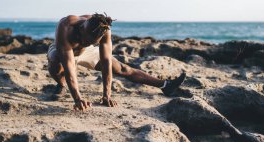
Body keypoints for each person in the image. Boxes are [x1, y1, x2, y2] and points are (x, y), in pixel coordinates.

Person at [47, 13, 186, 111]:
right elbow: (70, 65)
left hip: (86, 52)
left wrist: (107, 95)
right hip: (64, 50)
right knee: (55, 62)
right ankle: (61, 84)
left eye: (91, 42)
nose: (85, 42)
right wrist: (77, 98)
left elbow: (106, 61)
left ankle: (165, 85)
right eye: (85, 39)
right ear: (83, 28)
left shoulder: (104, 30)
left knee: (121, 68)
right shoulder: (66, 25)